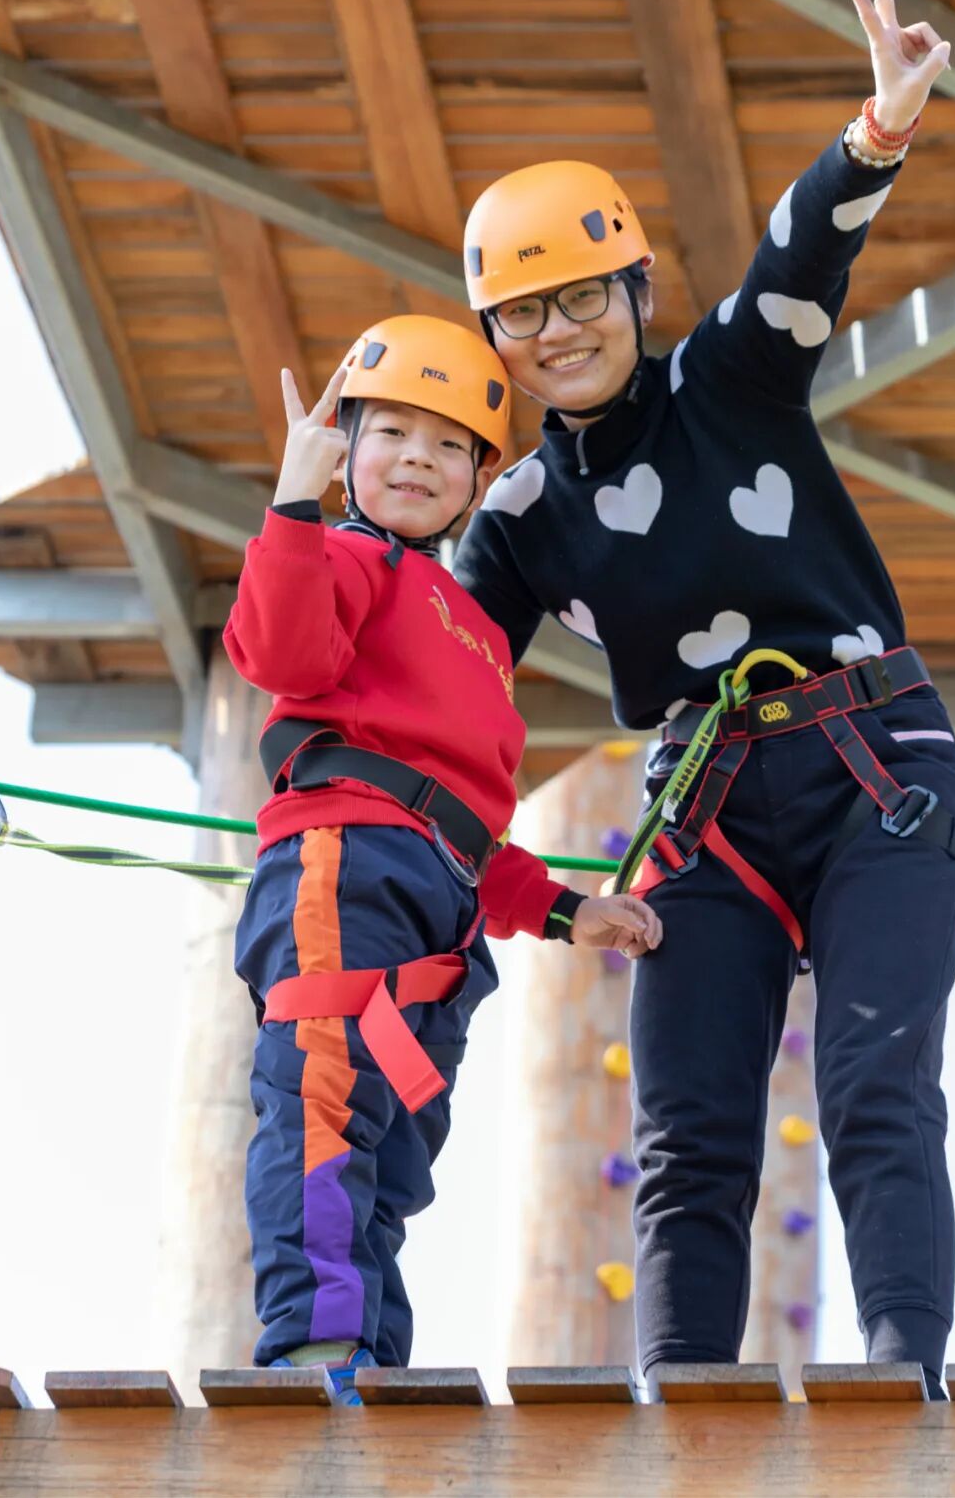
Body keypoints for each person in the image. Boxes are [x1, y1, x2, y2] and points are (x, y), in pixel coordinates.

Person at [453, 0, 955, 1400]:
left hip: (876, 764)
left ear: (634, 290)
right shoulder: (516, 520)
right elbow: (429, 688)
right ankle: (681, 1409)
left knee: (877, 1092)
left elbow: (802, 259)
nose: (559, 330)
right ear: (496, 340)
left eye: (583, 296)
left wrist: (878, 127)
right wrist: (327, 533)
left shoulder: (725, 383)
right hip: (709, 811)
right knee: (689, 1138)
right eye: (524, 313)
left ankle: (899, 1392)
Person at [225, 315, 662, 1403]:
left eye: (447, 443)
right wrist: (292, 501)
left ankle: (369, 1356)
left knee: (395, 1145)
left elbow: (470, 825)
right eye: (392, 434)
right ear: (350, 449)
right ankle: (317, 1347)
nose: (416, 457)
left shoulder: (468, 625)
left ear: (478, 480)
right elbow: (280, 653)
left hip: (444, 907)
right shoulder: (338, 554)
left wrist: (567, 912)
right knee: (326, 1094)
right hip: (348, 864)